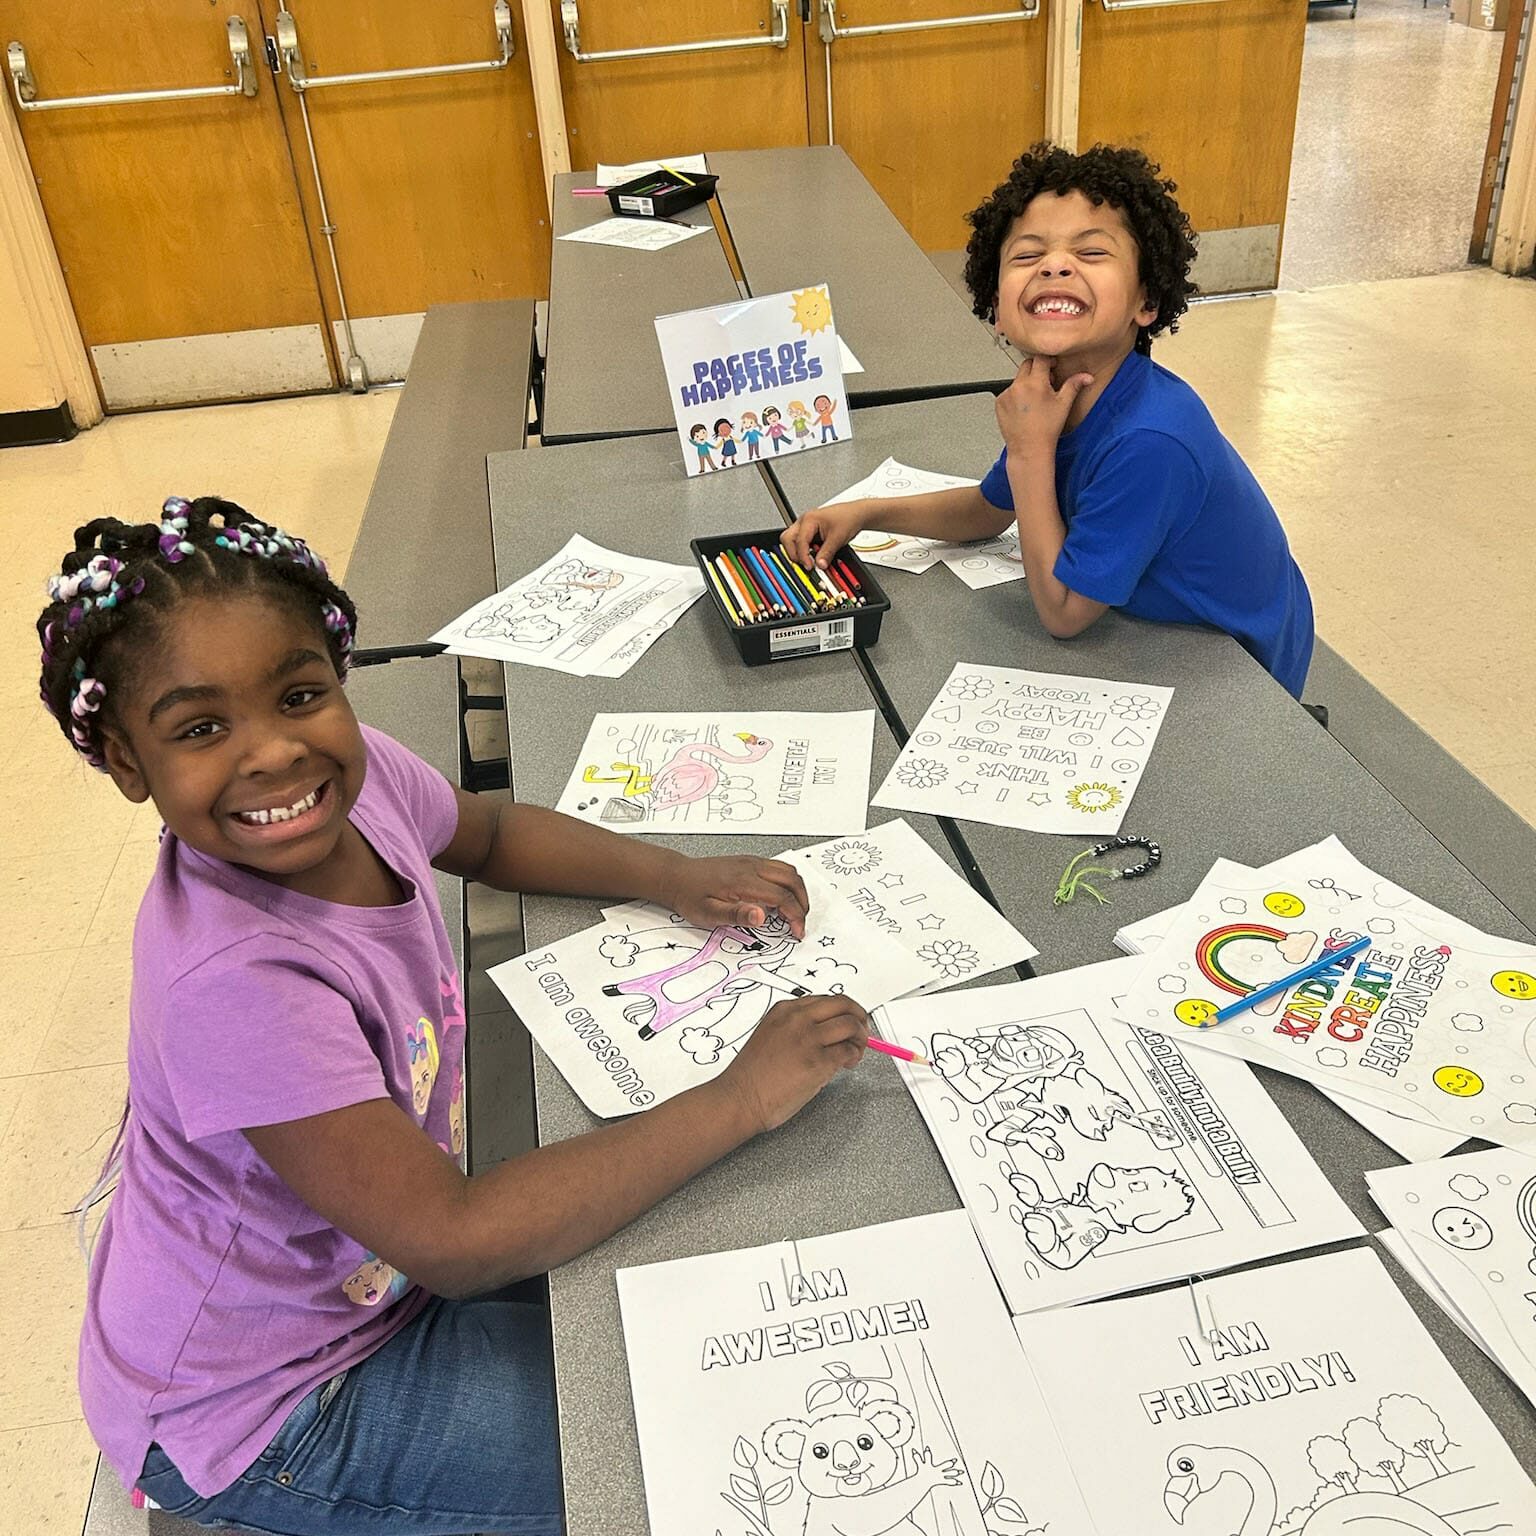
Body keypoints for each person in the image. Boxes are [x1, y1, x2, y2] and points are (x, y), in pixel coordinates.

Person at [42, 496, 868, 1535]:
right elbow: (456, 1238)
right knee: (679, 1445)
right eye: (202, 729)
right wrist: (742, 1095)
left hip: (369, 1281)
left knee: (698, 1300)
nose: (273, 755)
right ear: (128, 764)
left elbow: (485, 832)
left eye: (300, 695)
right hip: (269, 1409)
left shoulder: (360, 779)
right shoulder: (234, 983)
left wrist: (671, 874)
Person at [781, 142, 1315, 699]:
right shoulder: (1055, 393)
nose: (1055, 265)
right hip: (1155, 636)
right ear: (997, 300)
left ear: (1147, 300)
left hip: (1233, 672)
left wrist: (1032, 450)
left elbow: (1063, 612)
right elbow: (989, 511)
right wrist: (863, 514)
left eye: (1091, 253)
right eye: (1027, 255)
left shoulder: (1151, 441)